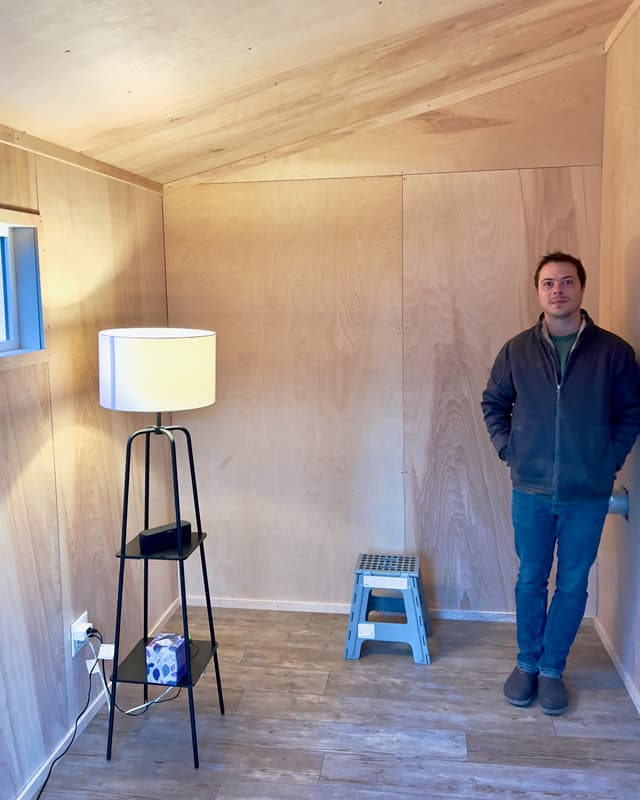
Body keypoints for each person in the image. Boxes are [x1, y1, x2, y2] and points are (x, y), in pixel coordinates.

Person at [481, 252, 640, 716]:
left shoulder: (613, 353)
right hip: (529, 489)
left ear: (581, 290)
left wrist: (609, 459)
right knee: (530, 578)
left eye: (567, 282)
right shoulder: (516, 350)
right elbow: (494, 402)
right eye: (548, 283)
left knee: (571, 585)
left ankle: (552, 668)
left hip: (587, 494)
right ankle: (526, 662)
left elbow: (631, 412)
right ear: (538, 292)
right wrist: (509, 449)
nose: (557, 290)